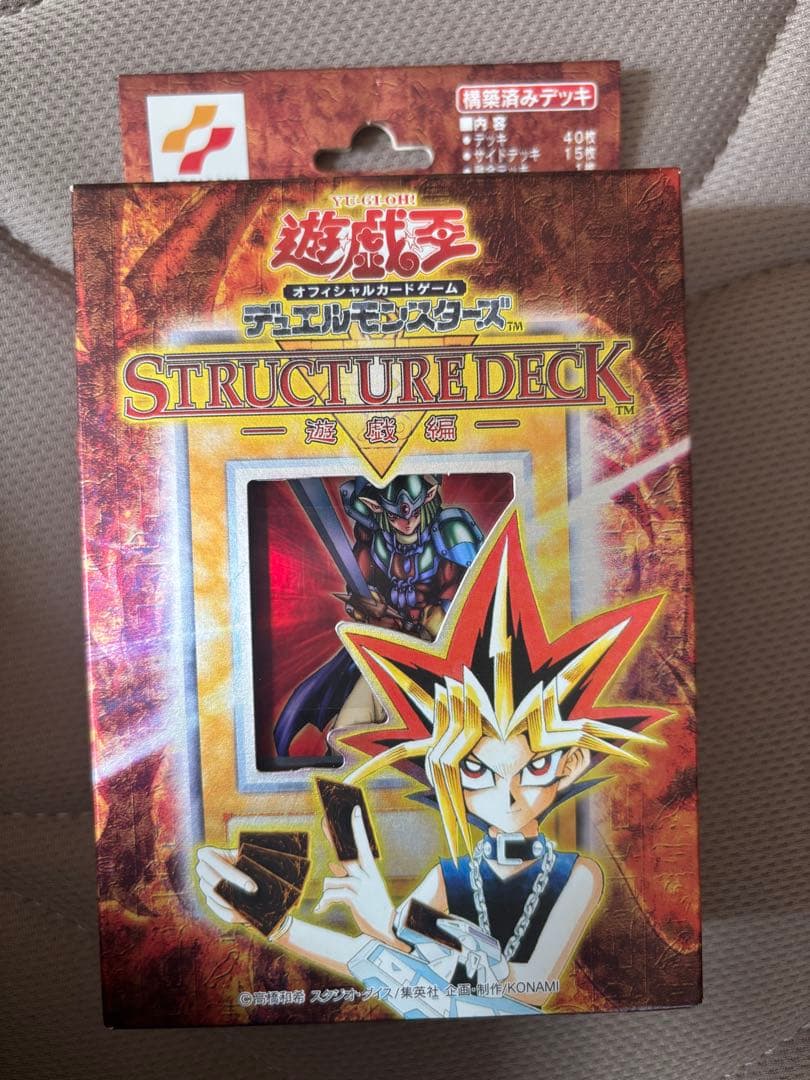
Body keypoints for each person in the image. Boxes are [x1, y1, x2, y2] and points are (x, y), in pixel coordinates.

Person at [198, 511, 668, 1010]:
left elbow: (529, 985)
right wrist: (273, 919)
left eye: (533, 768)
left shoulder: (578, 876)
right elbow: (374, 960)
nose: (507, 794)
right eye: (477, 771)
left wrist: (395, 929)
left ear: (569, 763)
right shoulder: (450, 878)